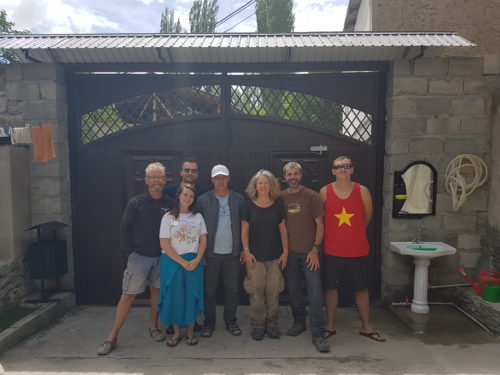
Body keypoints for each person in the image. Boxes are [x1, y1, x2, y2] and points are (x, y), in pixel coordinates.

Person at [97, 162, 173, 356]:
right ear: (146, 180)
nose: (157, 180)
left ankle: (153, 327)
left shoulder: (170, 203)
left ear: (165, 180)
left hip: (162, 257)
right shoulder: (136, 202)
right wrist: (129, 253)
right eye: (153, 177)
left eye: (160, 177)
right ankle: (112, 337)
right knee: (128, 295)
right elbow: (124, 229)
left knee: (156, 293)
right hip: (138, 257)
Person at [319, 156, 386, 343]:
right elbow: (320, 220)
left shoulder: (362, 191)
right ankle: (330, 325)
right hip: (332, 250)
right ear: (333, 170)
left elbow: (367, 218)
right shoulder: (324, 192)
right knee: (331, 289)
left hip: (357, 251)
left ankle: (366, 327)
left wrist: (352, 235)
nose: (342, 169)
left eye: (346, 166)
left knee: (362, 289)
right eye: (338, 167)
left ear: (352, 169)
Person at [280, 162, 330, 353]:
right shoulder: (281, 197)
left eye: (295, 173)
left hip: (310, 254)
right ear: (284, 177)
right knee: (293, 291)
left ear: (301, 175)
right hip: (289, 254)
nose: (292, 177)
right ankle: (299, 322)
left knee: (315, 291)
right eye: (289, 174)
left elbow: (320, 224)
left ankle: (318, 332)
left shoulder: (312, 196)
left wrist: (315, 249)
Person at [197, 165, 245, 338]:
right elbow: (198, 228)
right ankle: (209, 323)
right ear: (212, 180)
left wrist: (243, 249)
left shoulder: (238, 199)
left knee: (232, 291)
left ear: (229, 178)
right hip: (211, 254)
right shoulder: (203, 200)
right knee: (209, 291)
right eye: (217, 178)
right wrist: (200, 253)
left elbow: (244, 226)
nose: (220, 181)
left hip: (232, 254)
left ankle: (231, 321)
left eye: (223, 177)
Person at [241, 169, 289, 340]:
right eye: (260, 183)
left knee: (273, 293)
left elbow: (283, 230)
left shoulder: (277, 205)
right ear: (255, 185)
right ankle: (258, 325)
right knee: (256, 294)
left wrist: (285, 251)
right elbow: (244, 230)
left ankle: (272, 323)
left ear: (271, 185)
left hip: (275, 257)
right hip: (255, 258)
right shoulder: (248, 205)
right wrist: (246, 251)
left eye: (266, 183)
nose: (263, 186)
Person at [158, 184, 207, 347]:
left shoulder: (198, 217)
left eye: (191, 196)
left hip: (194, 262)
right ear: (179, 196)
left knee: (191, 297)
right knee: (175, 297)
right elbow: (164, 243)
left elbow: (203, 240)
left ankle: (191, 333)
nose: (188, 198)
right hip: (173, 262)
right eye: (185, 195)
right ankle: (177, 333)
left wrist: (197, 259)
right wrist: (183, 262)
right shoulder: (168, 217)